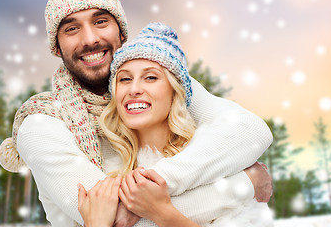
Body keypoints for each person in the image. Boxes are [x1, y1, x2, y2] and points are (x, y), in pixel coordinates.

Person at [0, 0, 274, 226]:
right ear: (56, 47)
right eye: (71, 28)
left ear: (121, 32)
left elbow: (252, 133)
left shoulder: (161, 81)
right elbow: (118, 219)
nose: (90, 38)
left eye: (101, 21)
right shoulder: (42, 123)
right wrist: (245, 184)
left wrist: (155, 186)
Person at [77, 23, 273, 227]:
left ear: (175, 92)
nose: (134, 89)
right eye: (125, 79)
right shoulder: (103, 172)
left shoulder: (214, 161)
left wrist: (162, 213)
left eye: (151, 77)